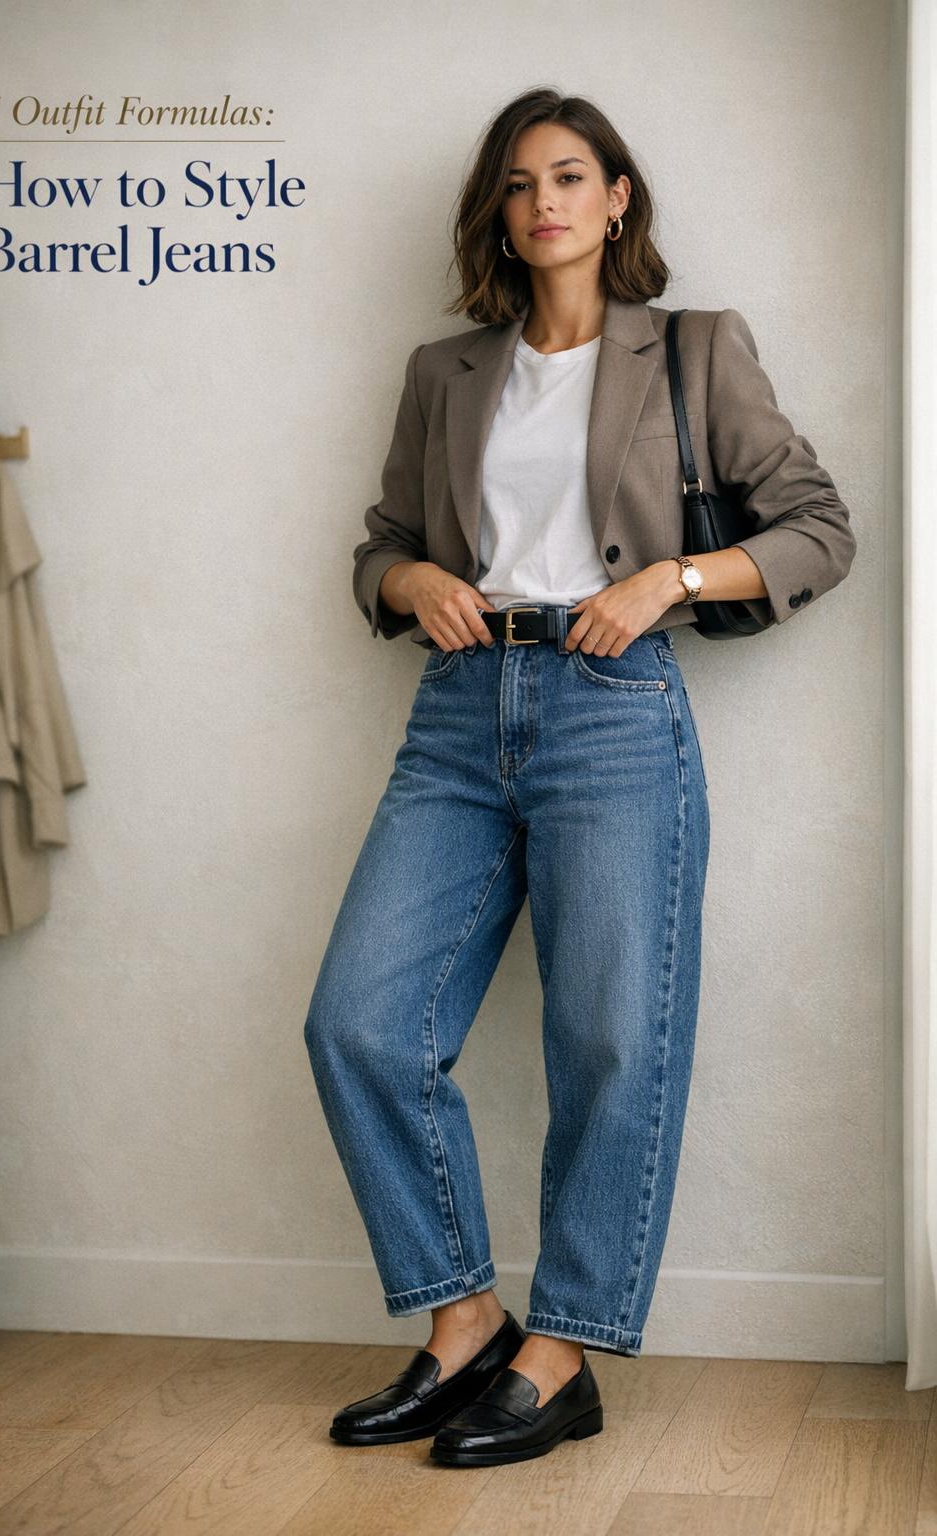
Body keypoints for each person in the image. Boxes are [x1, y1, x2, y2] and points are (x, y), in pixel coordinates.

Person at [303, 86, 856, 1469]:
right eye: (517, 183)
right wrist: (413, 574)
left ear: (618, 200)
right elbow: (376, 546)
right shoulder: (447, 372)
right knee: (360, 1020)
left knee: (610, 1042)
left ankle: (563, 1354)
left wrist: (670, 575)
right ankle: (462, 1325)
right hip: (456, 714)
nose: (542, 200)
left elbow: (818, 529)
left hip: (616, 713)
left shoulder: (693, 350)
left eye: (570, 176)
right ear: (498, 213)